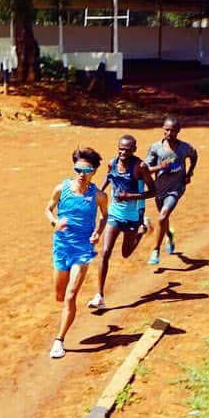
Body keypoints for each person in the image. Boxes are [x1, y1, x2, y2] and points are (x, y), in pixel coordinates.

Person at [45, 147, 109, 359]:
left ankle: (59, 340)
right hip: (62, 246)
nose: (81, 174)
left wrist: (97, 233)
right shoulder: (60, 188)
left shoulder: (99, 196)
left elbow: (104, 216)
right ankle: (65, 313)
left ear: (95, 171)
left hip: (83, 250)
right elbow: (48, 209)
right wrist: (55, 222)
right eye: (78, 169)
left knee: (71, 296)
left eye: (87, 170)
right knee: (59, 296)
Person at [87, 135, 156, 310]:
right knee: (105, 252)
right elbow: (109, 178)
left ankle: (142, 230)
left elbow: (153, 191)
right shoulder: (112, 163)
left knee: (126, 253)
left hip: (133, 215)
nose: (123, 152)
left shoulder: (140, 167)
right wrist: (97, 193)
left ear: (134, 150)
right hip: (114, 214)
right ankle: (99, 296)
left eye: (127, 149)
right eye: (120, 149)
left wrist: (130, 196)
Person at [144, 116, 198, 265]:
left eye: (172, 130)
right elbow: (146, 169)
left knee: (162, 217)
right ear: (163, 129)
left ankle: (155, 251)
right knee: (164, 219)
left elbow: (194, 156)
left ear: (178, 131)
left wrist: (189, 173)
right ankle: (169, 234)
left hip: (176, 188)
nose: (169, 133)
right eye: (166, 129)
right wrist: (161, 167)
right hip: (159, 189)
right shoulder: (155, 148)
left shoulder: (184, 147)